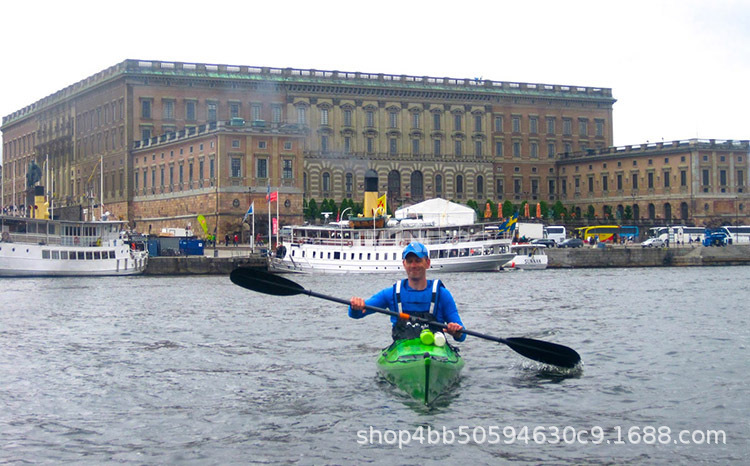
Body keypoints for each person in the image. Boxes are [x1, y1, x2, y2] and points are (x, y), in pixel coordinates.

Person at [349, 242, 465, 342]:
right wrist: (355, 307)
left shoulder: (443, 295)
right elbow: (357, 314)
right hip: (403, 353)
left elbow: (462, 334)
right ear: (404, 264)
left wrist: (456, 332)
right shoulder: (391, 293)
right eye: (410, 261)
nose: (413, 265)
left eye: (418, 261)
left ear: (427, 263)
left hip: (435, 349)